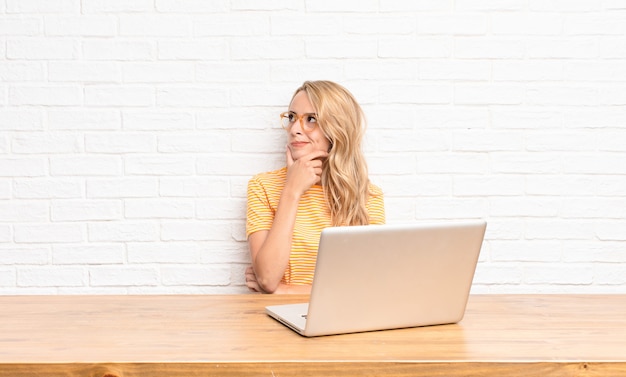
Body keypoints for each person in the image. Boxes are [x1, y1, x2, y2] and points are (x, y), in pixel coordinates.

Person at [245, 80, 385, 294]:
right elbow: (267, 277)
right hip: (274, 322)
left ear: (337, 129)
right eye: (292, 117)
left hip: (345, 320)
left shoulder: (368, 196)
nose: (294, 129)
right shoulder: (263, 187)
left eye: (311, 119)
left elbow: (370, 286)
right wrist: (292, 191)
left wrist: (286, 291)